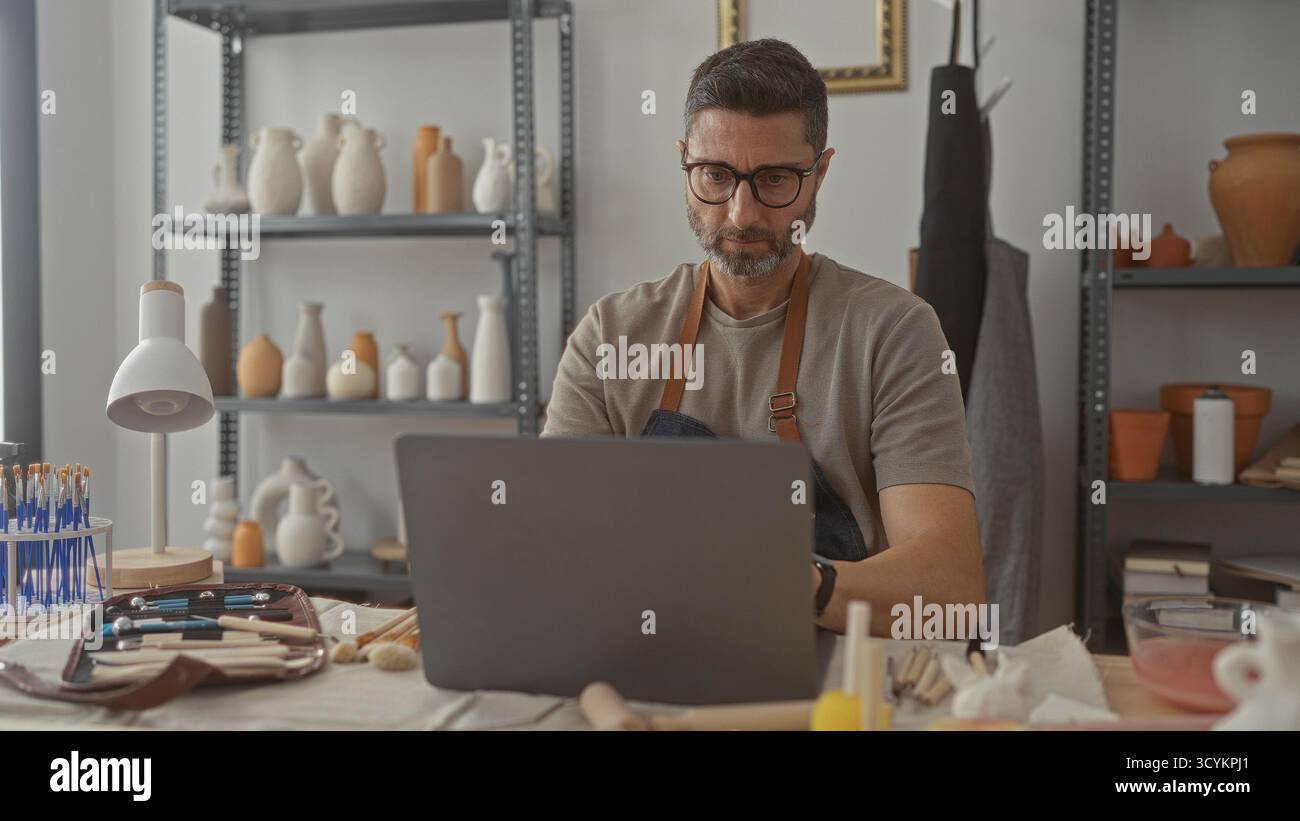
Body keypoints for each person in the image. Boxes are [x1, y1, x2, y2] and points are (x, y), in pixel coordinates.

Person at [542, 38, 984, 635]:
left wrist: (797, 585)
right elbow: (554, 545)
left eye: (775, 179)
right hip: (647, 656)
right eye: (716, 176)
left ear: (820, 173)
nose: (741, 214)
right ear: (684, 162)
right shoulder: (611, 336)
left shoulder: (896, 333)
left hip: (834, 682)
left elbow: (951, 589)